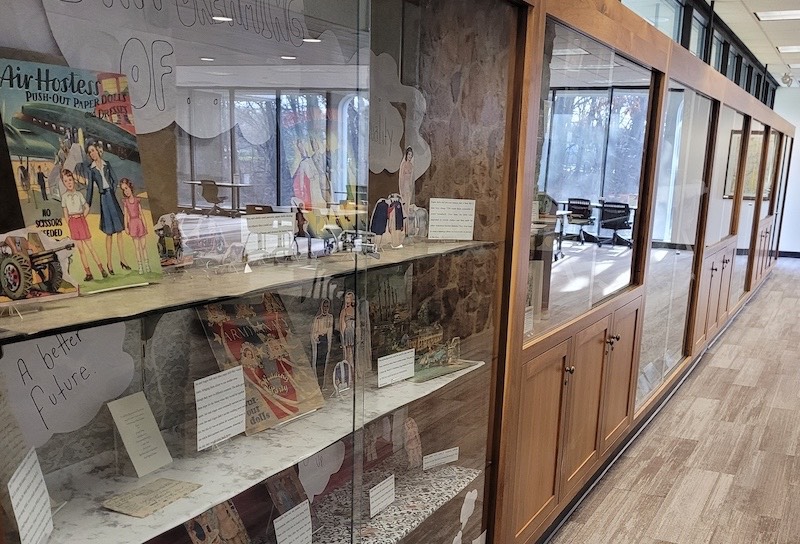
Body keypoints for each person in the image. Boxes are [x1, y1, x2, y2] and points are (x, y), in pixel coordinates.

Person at [85, 142, 130, 274]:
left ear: (98, 150)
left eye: (93, 150)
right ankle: (109, 263)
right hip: (104, 199)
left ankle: (123, 260)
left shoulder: (107, 164)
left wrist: (112, 189)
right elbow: (89, 189)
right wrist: (87, 204)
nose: (92, 154)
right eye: (90, 152)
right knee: (109, 233)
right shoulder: (91, 169)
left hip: (111, 196)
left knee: (119, 230)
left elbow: (114, 180)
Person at [61, 169, 107, 281]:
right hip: (73, 223)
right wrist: (69, 223)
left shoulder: (79, 194)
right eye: (66, 181)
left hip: (81, 221)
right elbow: (65, 212)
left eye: (70, 180)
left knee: (90, 247)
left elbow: (86, 207)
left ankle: (101, 269)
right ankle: (88, 273)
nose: (69, 183)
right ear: (63, 183)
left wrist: (83, 217)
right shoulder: (64, 197)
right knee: (81, 250)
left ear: (73, 180)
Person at [119, 178, 151, 274]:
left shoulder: (137, 200)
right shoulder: (126, 202)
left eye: (126, 188)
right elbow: (126, 216)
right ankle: (140, 266)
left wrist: (145, 225)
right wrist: (126, 227)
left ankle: (147, 265)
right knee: (137, 247)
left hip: (139, 223)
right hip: (132, 224)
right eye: (123, 190)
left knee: (143, 246)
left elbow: (141, 213)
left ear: (130, 187)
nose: (126, 191)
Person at [311, 298, 333, 388]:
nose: (325, 308)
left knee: (324, 362)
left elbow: (330, 330)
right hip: (319, 341)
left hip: (326, 340)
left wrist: (329, 344)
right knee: (318, 363)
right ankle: (319, 383)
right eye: (324, 306)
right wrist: (316, 338)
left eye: (327, 306)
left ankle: (323, 383)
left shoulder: (330, 317)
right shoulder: (317, 319)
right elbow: (314, 332)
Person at [398, 146, 415, 216]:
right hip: (404, 185)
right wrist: (402, 188)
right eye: (409, 154)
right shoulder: (403, 165)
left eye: (411, 155)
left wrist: (411, 185)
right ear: (406, 155)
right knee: (404, 201)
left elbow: (412, 177)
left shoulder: (411, 165)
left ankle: (407, 216)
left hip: (409, 186)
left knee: (408, 201)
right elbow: (401, 177)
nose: (410, 156)